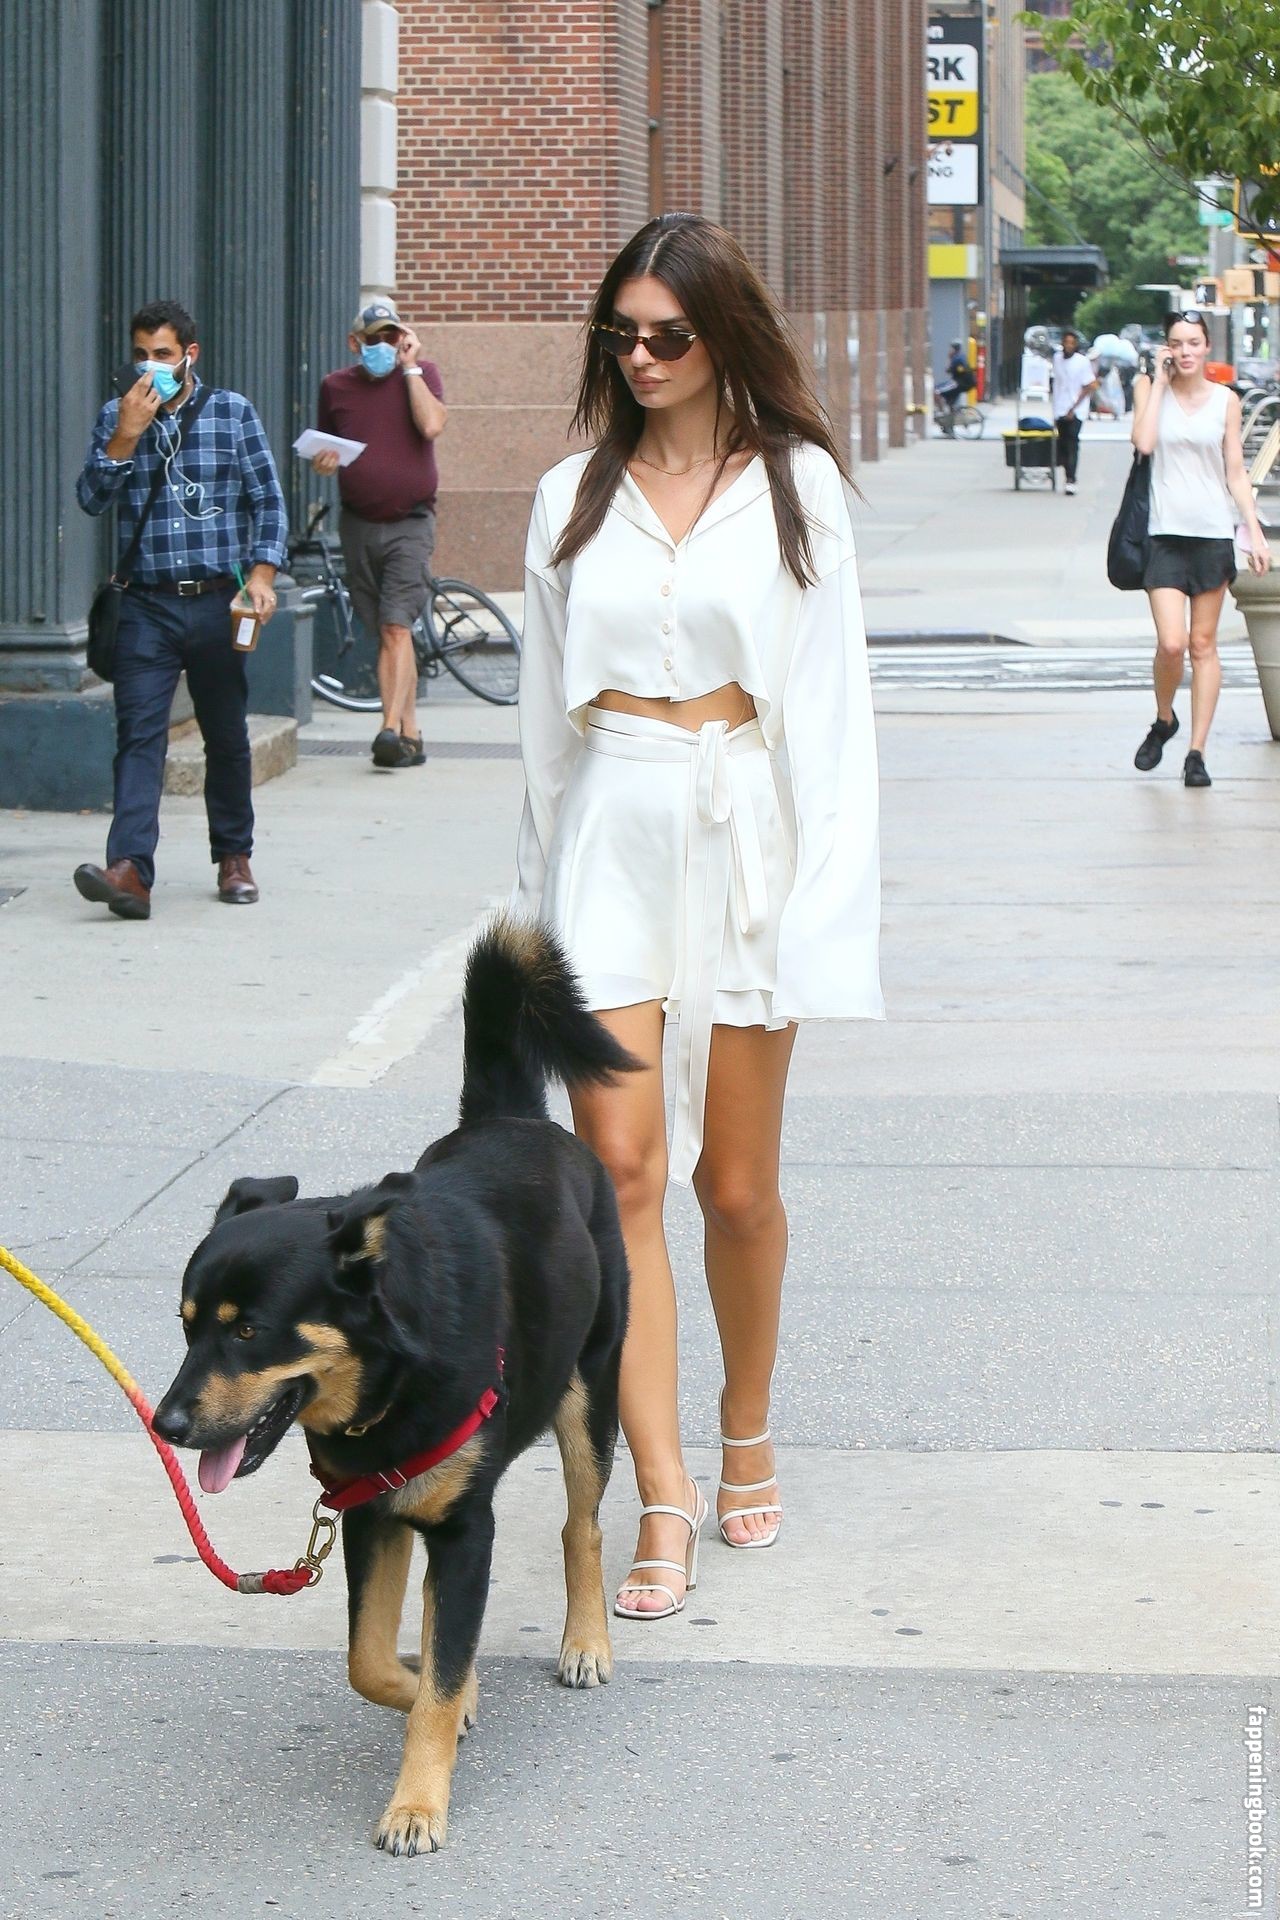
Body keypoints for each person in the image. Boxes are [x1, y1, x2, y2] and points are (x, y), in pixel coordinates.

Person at [511, 212, 883, 1620]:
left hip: (744, 835)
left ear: (724, 335)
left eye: (668, 334)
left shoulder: (796, 487)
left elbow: (831, 713)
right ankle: (657, 1494)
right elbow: (543, 734)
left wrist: (824, 910)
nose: (643, 356)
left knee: (733, 1187)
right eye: (621, 334)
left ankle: (747, 1425)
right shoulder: (570, 496)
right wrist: (531, 912)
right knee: (617, 1172)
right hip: (609, 825)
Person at [74, 299, 287, 920]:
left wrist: (263, 576)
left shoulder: (231, 412)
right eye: (141, 354)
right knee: (139, 737)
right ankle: (129, 870)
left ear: (189, 355)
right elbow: (90, 498)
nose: (150, 366)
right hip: (146, 605)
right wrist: (126, 435)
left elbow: (268, 501)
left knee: (226, 734)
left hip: (219, 600)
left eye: (162, 354)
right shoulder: (117, 414)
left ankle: (234, 856)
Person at [1130, 308, 1271, 786]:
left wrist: (1253, 530)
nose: (1185, 351)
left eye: (1193, 343)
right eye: (1177, 343)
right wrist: (1159, 383)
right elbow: (1143, 442)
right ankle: (1164, 719)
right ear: (1166, 348)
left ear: (1207, 346)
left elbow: (1235, 472)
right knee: (1172, 643)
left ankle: (1197, 753)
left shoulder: (1225, 400)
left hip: (1212, 533)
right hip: (1163, 533)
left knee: (1203, 644)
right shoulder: (1150, 389)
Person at [313, 301, 447, 770]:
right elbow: (327, 448)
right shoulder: (335, 387)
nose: (383, 346)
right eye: (374, 340)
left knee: (395, 625)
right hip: (358, 524)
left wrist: (410, 368)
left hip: (410, 522)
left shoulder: (422, 375)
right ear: (355, 344)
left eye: (392, 337)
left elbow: (432, 424)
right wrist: (323, 463)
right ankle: (411, 733)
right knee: (387, 633)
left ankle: (387, 728)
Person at [1051, 328, 1097, 495]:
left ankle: (1071, 479)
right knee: (1062, 444)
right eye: (1066, 342)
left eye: (1072, 343)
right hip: (1060, 408)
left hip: (1076, 409)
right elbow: (1057, 384)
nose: (1069, 346)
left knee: (1072, 443)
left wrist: (1074, 407)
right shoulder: (1057, 359)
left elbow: (1090, 385)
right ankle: (1067, 475)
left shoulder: (1082, 362)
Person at [936, 339, 974, 414]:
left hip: (959, 383)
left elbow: (948, 370)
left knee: (936, 391)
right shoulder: (960, 357)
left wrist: (950, 359)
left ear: (954, 349)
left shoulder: (958, 358)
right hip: (963, 383)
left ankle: (942, 412)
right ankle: (951, 414)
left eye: (951, 348)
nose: (950, 350)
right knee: (949, 401)